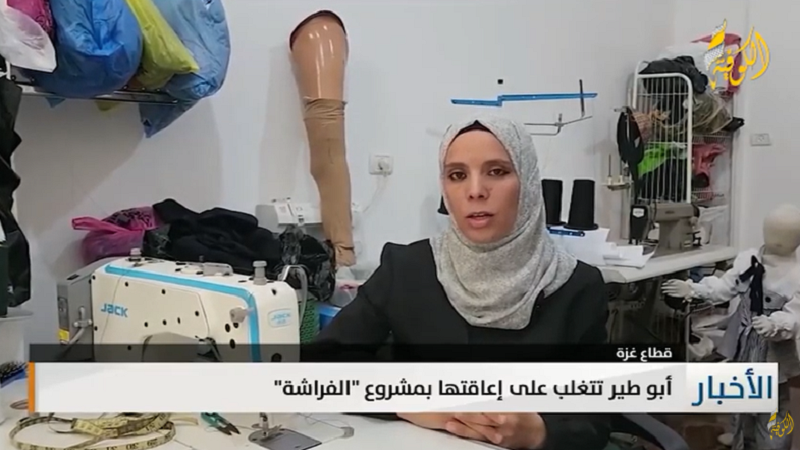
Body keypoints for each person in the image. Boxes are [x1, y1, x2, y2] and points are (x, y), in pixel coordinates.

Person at [314, 116, 610, 449]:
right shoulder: (407, 269)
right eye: (457, 175)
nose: (475, 191)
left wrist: (539, 433)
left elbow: (595, 419)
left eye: (496, 171)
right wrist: (411, 402)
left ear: (527, 182)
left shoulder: (577, 286)